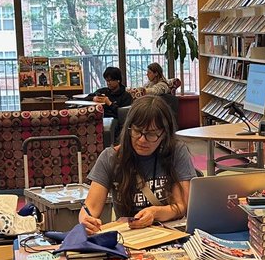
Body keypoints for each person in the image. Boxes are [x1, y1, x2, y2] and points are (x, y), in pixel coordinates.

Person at [79, 95, 197, 231]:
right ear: (128, 129)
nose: (142, 140)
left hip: (169, 231)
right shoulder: (111, 157)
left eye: (151, 134)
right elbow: (90, 207)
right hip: (129, 235)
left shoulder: (176, 151)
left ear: (164, 134)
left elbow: (181, 206)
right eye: (137, 131)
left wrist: (155, 212)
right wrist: (86, 220)